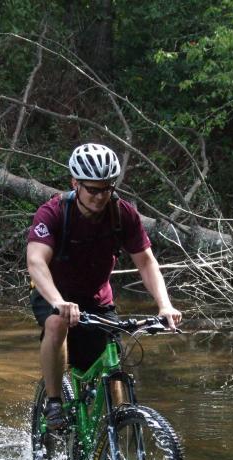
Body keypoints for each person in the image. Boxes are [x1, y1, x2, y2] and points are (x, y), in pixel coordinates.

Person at [26, 143, 182, 430]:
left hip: (97, 299)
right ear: (75, 183)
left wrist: (164, 305)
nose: (100, 197)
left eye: (106, 189)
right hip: (54, 294)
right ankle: (54, 403)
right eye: (93, 190)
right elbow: (36, 261)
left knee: (113, 368)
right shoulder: (54, 212)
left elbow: (146, 263)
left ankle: (115, 429)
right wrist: (59, 302)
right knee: (56, 324)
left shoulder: (123, 215)